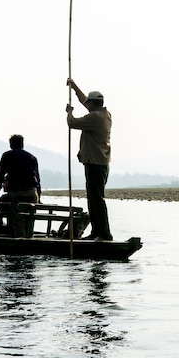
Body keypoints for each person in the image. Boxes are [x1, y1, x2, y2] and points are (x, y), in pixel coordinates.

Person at [66, 78, 112, 241]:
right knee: (93, 199)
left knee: (96, 200)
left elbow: (72, 123)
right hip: (99, 163)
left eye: (89, 104)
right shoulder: (104, 114)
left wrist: (69, 111)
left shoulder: (95, 118)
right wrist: (74, 86)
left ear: (94, 104)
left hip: (95, 163)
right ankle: (96, 232)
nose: (87, 105)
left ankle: (104, 234)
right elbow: (84, 100)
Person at [0, 134, 41, 235]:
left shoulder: (7, 155)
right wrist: (39, 197)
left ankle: (5, 229)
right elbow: (38, 179)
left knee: (15, 215)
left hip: (18, 194)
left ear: (11, 145)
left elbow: (0, 175)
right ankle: (28, 235)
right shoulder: (32, 157)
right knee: (29, 217)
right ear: (22, 144)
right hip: (33, 193)